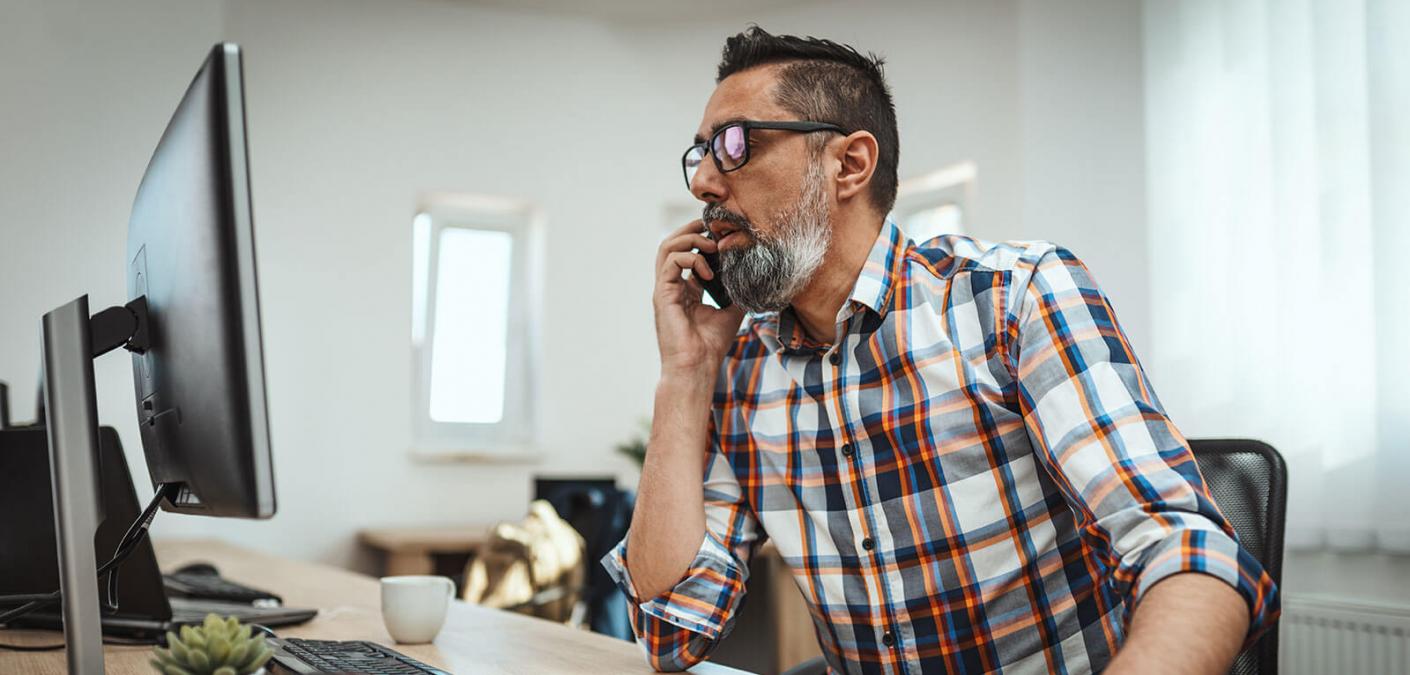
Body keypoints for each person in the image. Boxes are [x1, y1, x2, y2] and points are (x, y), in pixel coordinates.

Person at [604, 27, 1278, 674]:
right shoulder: (742, 373)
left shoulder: (1013, 298)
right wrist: (684, 373)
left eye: (735, 144)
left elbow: (1189, 553)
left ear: (849, 163)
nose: (704, 185)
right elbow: (671, 630)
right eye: (702, 155)